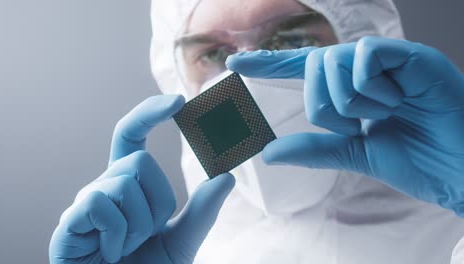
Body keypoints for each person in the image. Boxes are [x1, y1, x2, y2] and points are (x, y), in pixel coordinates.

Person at [49, 0, 464, 263]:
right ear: (178, 82)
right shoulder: (181, 253)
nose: (244, 80)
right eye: (212, 54)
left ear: (360, 44)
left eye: (291, 40)